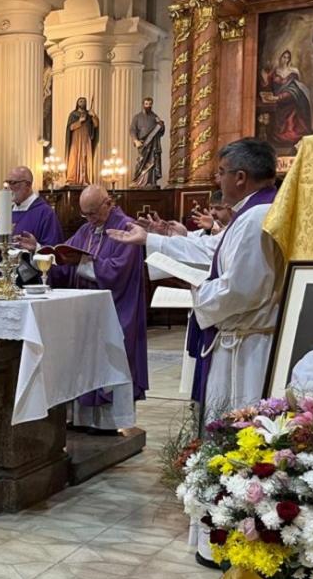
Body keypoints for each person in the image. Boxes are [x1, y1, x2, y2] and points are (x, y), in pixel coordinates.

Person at [110, 138, 281, 419]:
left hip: (248, 346)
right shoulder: (253, 212)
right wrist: (150, 239)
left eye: (221, 172)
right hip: (243, 338)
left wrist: (196, 289)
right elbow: (211, 250)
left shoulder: (255, 218)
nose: (217, 180)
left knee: (241, 423)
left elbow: (239, 291)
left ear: (240, 177)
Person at [49, 185, 147, 431]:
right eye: (85, 214)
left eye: (93, 213)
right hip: (86, 312)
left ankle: (109, 423)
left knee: (108, 360)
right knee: (83, 360)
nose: (89, 219)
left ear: (108, 203)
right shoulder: (86, 229)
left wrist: (82, 262)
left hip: (115, 309)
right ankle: (82, 418)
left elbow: (118, 271)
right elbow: (65, 256)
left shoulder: (127, 228)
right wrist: (43, 252)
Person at [0, 166, 63, 283]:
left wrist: (36, 247)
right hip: (3, 281)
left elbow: (54, 252)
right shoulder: (7, 211)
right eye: (7, 182)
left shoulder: (45, 213)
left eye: (13, 183)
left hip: (30, 283)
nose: (9, 188)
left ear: (27, 185)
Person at [258, 50, 313, 151]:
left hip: (289, 101)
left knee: (293, 128)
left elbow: (294, 90)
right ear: (281, 58)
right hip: (277, 103)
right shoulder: (275, 72)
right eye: (284, 57)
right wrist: (264, 77)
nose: (286, 60)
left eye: (288, 58)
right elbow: (268, 86)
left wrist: (278, 97)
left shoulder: (293, 72)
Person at [130, 97, 165, 187]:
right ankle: (138, 181)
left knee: (152, 162)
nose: (148, 106)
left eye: (150, 104)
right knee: (141, 162)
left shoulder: (155, 117)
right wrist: (136, 140)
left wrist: (161, 125)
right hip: (143, 144)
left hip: (153, 144)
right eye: (146, 104)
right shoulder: (137, 117)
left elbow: (161, 132)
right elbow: (132, 130)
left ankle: (150, 181)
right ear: (143, 105)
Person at [65, 97, 99, 185]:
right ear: (77, 103)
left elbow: (96, 125)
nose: (82, 102)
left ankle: (85, 179)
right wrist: (79, 121)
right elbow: (70, 127)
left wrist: (93, 116)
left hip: (86, 139)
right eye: (80, 101)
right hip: (76, 139)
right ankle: (72, 179)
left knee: (85, 157)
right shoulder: (73, 114)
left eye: (84, 101)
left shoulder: (89, 114)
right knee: (74, 157)